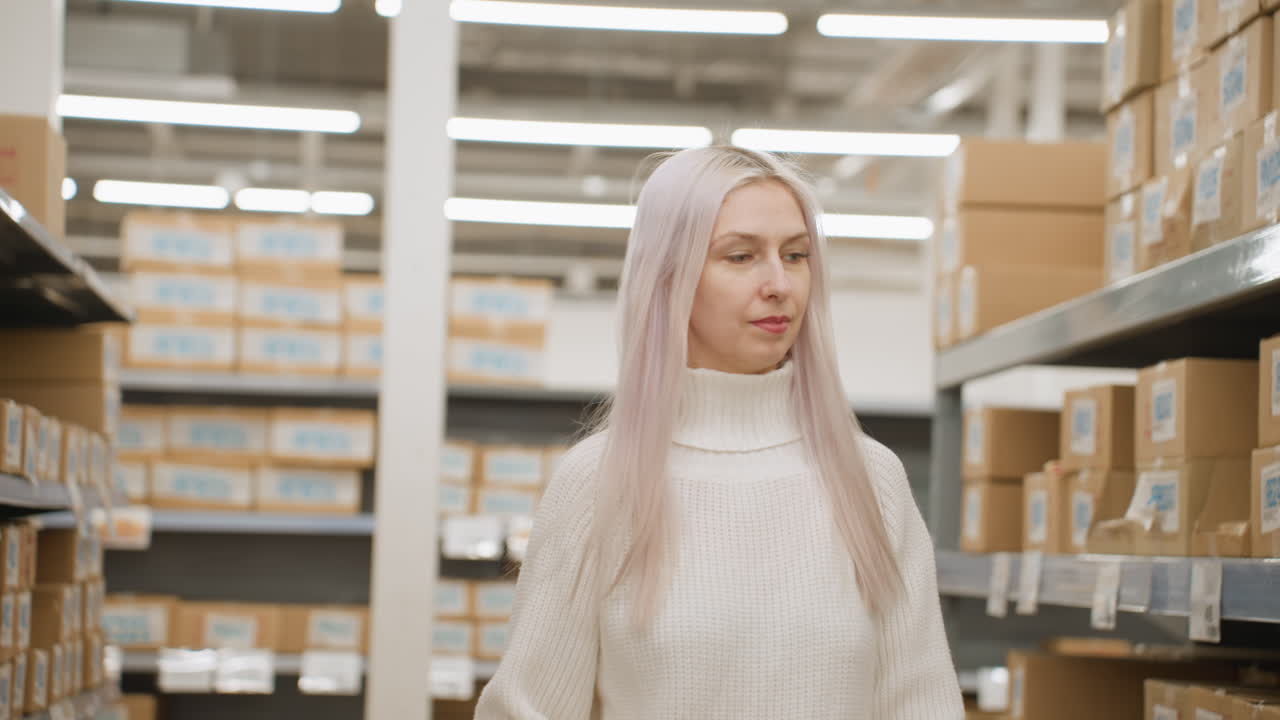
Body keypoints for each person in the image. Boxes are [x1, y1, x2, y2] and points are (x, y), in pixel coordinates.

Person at [474, 146, 963, 719]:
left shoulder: (870, 478)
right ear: (669, 277)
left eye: (797, 255)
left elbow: (923, 705)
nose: (780, 283)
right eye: (740, 256)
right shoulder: (600, 483)